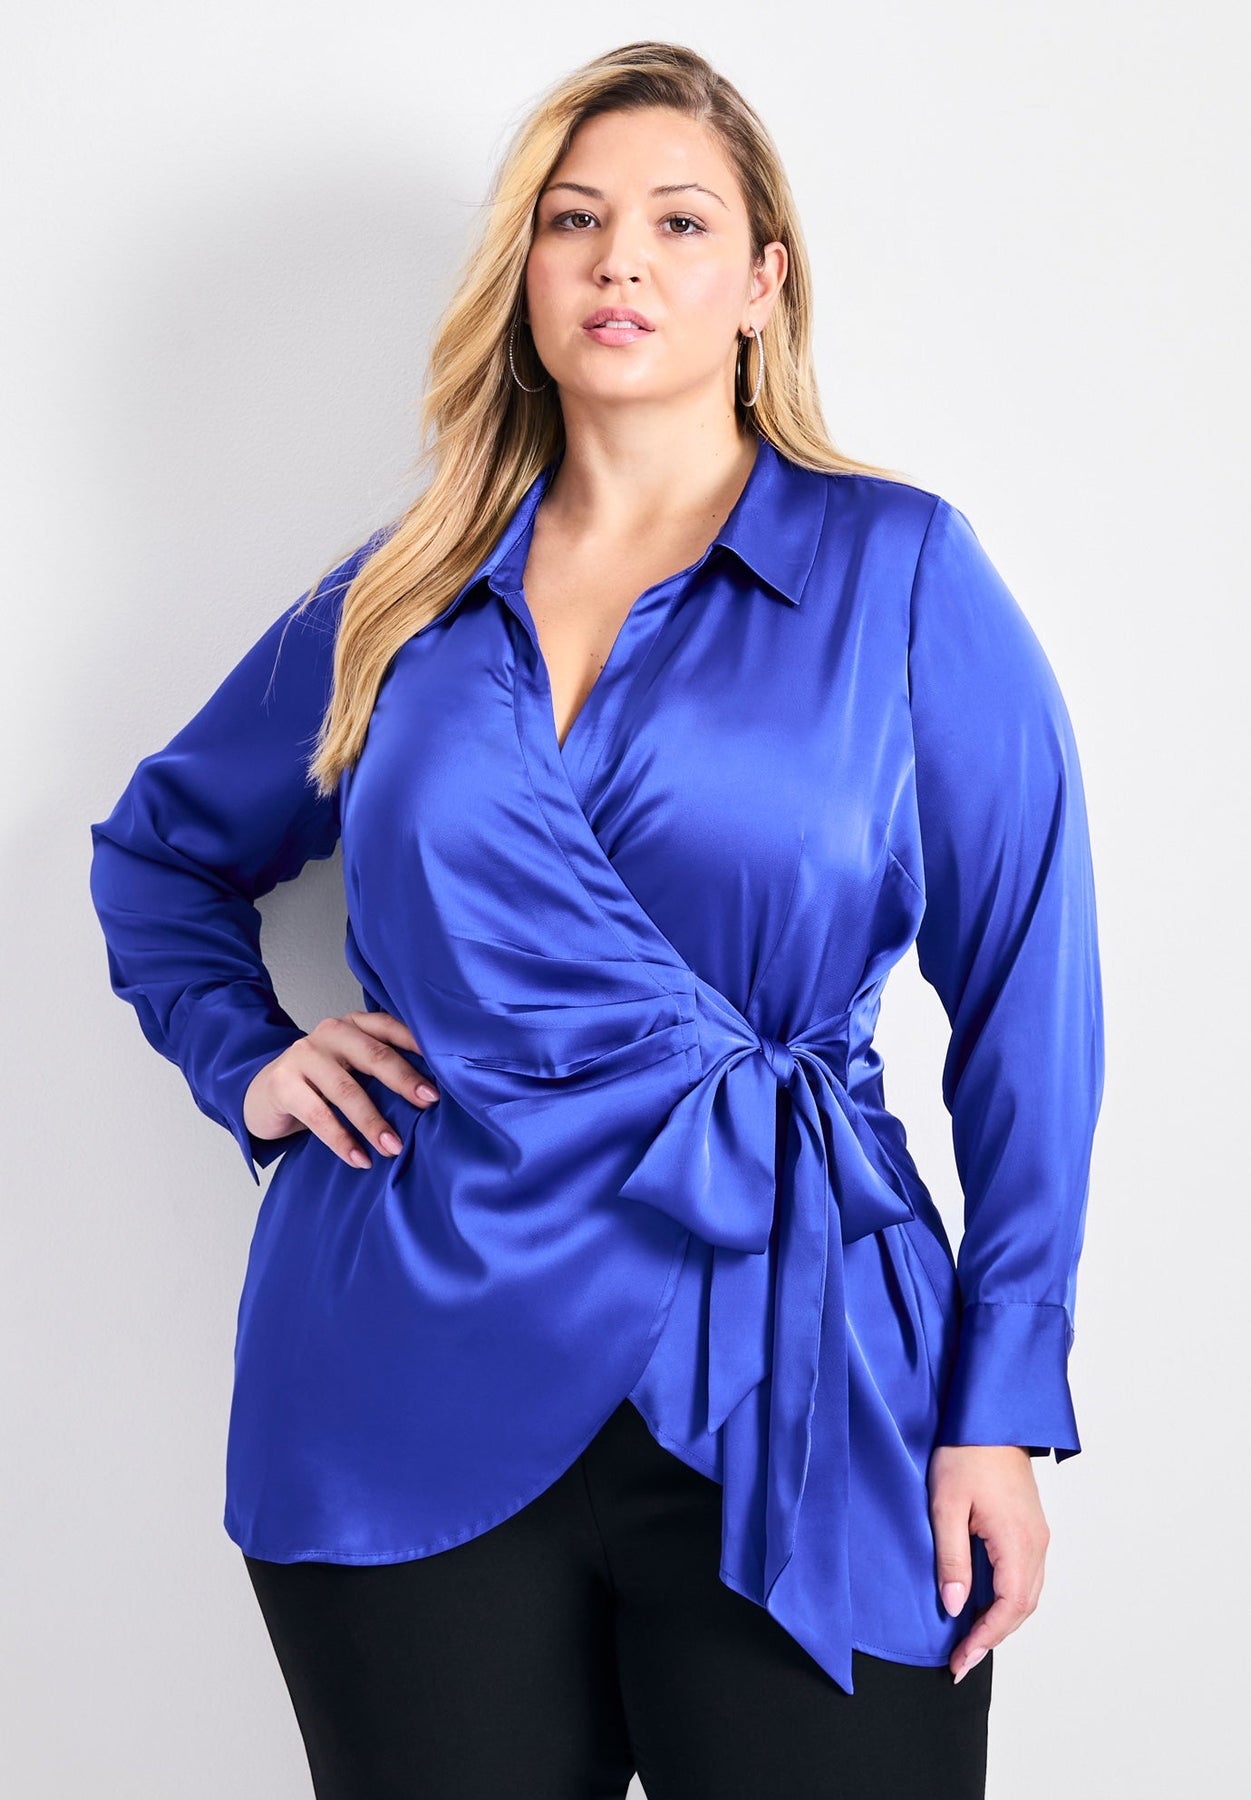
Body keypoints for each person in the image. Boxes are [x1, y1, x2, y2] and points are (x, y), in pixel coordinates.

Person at [87, 39, 1105, 1800]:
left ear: (762, 281)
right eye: (573, 220)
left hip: (801, 1357)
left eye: (678, 221)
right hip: (403, 1353)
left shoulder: (901, 573)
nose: (620, 259)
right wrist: (249, 1059)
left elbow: (1032, 997)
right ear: (526, 271)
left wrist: (1001, 1401)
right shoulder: (399, 596)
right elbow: (159, 854)